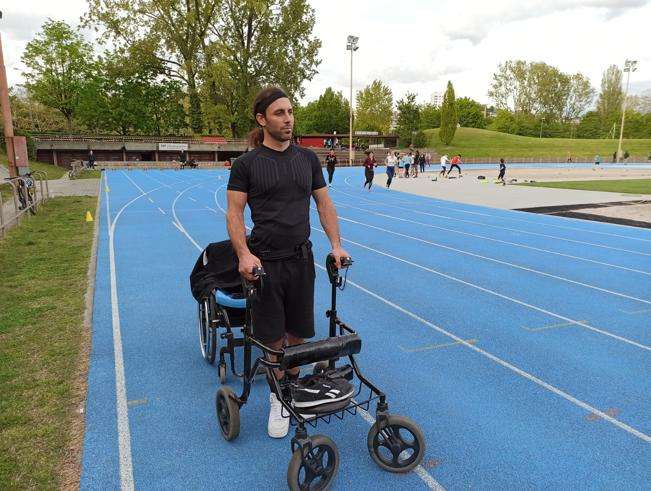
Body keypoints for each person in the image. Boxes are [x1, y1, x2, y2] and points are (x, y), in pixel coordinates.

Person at [226, 86, 350, 439]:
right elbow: (234, 214)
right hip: (265, 265)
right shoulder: (246, 165)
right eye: (280, 113)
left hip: (301, 260)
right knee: (273, 337)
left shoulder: (308, 160)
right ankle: (277, 399)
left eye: (291, 112)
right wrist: (243, 254)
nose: (288, 119)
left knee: (297, 334)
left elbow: (324, 205)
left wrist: (336, 245)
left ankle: (291, 387)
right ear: (262, 119)